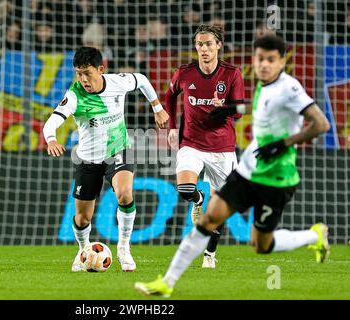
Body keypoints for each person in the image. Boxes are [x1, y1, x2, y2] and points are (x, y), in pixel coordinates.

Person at [135, 34, 331, 297]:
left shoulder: (290, 88)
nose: (263, 65)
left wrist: (285, 143)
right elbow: (244, 110)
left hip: (275, 177)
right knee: (208, 219)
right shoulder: (262, 85)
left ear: (282, 62)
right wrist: (226, 110)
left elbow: (321, 124)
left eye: (270, 60)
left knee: (261, 245)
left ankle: (314, 235)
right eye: (260, 59)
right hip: (247, 169)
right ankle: (166, 283)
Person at [43, 46, 169, 272]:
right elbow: (51, 122)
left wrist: (157, 107)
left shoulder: (118, 82)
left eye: (87, 73)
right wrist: (51, 139)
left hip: (117, 150)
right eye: (78, 74)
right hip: (88, 160)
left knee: (124, 193)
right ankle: (84, 250)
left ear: (101, 69)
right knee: (82, 218)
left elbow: (141, 80)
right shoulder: (74, 95)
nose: (83, 79)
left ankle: (123, 247)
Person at [165, 24, 245, 268]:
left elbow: (240, 110)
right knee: (185, 189)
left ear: (219, 45)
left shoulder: (232, 73)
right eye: (200, 44)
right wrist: (171, 127)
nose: (204, 49)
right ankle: (198, 200)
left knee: (221, 207)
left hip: (222, 147)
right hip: (191, 142)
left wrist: (224, 109)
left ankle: (210, 255)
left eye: (209, 44)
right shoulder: (184, 73)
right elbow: (169, 96)